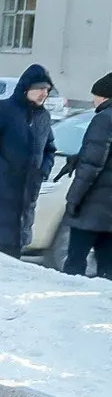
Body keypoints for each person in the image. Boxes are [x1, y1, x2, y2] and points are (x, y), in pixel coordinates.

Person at [0, 64, 57, 257]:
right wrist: (0, 168)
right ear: (26, 88)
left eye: (47, 90)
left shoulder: (43, 116)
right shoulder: (2, 109)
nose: (44, 93)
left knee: (15, 251)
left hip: (27, 194)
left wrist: (43, 171)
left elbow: (50, 149)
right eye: (40, 88)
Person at [63, 72, 112, 276]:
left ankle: (69, 294)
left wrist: (73, 199)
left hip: (93, 205)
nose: (93, 101)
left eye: (95, 96)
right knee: (107, 268)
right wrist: (79, 156)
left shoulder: (104, 119)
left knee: (75, 262)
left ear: (104, 96)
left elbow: (93, 165)